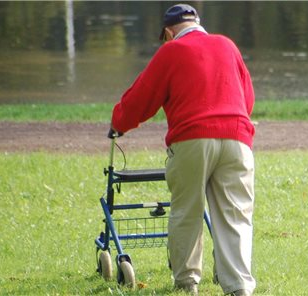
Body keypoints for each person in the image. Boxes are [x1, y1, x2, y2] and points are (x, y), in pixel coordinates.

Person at [108, 4, 256, 296]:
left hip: (192, 139)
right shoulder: (227, 45)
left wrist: (118, 123)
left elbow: (141, 98)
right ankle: (239, 286)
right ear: (198, 24)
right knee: (235, 215)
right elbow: (247, 98)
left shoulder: (171, 51)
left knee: (187, 210)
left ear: (168, 32)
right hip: (237, 137)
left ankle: (188, 282)